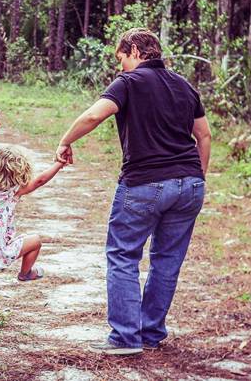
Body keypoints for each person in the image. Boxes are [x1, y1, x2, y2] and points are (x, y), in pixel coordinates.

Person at [55, 28, 212, 355]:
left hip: (145, 183)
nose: (121, 66)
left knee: (123, 254)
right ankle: (151, 333)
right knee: (167, 260)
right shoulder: (184, 85)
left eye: (122, 58)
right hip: (190, 184)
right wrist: (197, 176)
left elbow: (96, 113)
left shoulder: (129, 83)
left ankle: (126, 337)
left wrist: (65, 141)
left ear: (136, 51)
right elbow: (204, 135)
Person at [0, 125, 66, 280]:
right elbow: (40, 180)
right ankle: (25, 274)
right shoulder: (13, 192)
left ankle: (22, 272)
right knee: (35, 241)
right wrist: (59, 163)